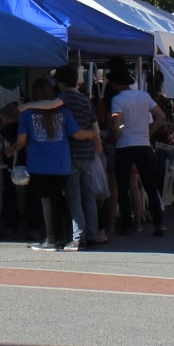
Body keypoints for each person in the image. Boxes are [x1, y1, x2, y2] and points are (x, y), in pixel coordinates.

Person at [16, 77, 90, 251]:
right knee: (57, 200)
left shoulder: (27, 114)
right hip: (62, 163)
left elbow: (21, 141)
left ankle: (50, 239)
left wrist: (14, 148)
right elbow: (77, 133)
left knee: (46, 201)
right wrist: (93, 134)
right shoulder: (64, 112)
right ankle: (60, 236)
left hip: (39, 163)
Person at [109, 71, 167, 237]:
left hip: (125, 145)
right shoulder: (144, 96)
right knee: (150, 185)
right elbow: (161, 116)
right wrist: (149, 133)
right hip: (143, 144)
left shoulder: (117, 100)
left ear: (118, 84)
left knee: (123, 186)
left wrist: (114, 136)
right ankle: (158, 223)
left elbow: (117, 124)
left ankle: (126, 223)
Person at [56, 64, 106, 249]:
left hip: (71, 153)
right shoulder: (85, 100)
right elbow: (96, 128)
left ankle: (78, 237)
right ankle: (92, 235)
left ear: (60, 81)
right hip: (88, 153)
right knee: (89, 197)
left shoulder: (63, 98)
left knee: (74, 197)